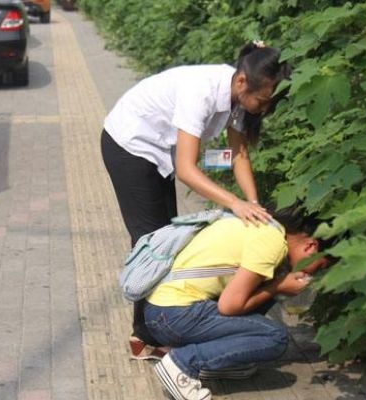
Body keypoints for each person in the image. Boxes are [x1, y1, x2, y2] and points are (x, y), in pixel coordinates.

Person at [100, 40, 291, 358]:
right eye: (262, 101)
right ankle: (147, 335)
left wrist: (253, 202)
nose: (263, 109)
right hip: (129, 147)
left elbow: (237, 154)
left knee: (171, 239)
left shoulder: (238, 97)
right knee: (154, 243)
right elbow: (187, 170)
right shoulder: (200, 91)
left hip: (160, 152)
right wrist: (234, 203)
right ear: (243, 82)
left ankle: (151, 331)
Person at [144, 206, 329, 400]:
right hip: (174, 315)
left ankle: (223, 362)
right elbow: (229, 306)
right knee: (275, 337)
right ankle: (182, 364)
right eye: (321, 266)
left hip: (162, 311)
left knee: (262, 290)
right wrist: (277, 287)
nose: (315, 274)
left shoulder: (263, 224)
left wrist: (276, 286)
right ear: (311, 246)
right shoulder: (272, 243)